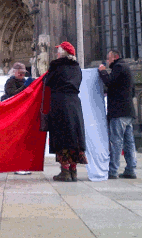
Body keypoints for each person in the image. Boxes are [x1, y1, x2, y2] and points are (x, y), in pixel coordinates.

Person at [45, 42, 87, 182]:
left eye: (58, 51)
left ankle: (65, 171)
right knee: (74, 136)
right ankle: (73, 171)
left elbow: (48, 82)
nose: (57, 53)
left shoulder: (57, 66)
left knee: (61, 135)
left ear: (62, 53)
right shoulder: (77, 68)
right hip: (75, 103)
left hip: (60, 103)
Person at [98, 50, 137, 179]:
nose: (107, 61)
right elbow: (133, 91)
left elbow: (109, 82)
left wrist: (102, 71)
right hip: (128, 112)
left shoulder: (119, 67)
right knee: (129, 142)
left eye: (109, 59)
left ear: (116, 57)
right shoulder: (127, 68)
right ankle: (131, 169)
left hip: (118, 112)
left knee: (116, 142)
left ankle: (113, 171)